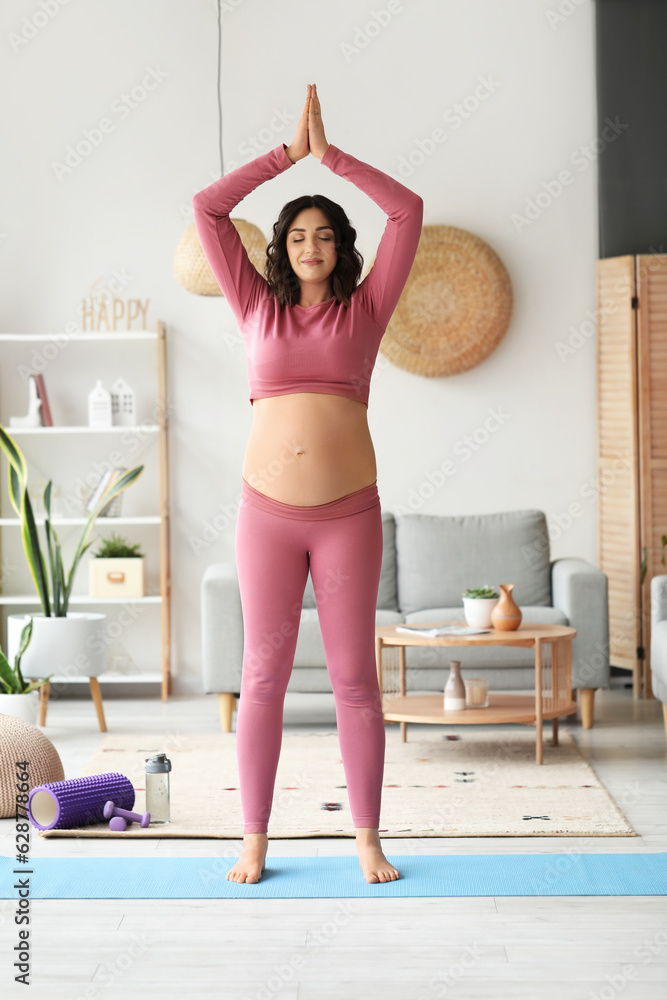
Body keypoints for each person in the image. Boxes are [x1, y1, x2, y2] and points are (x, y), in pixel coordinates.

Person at [192, 83, 423, 884]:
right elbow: (208, 211)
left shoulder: (365, 312)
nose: (312, 244)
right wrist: (285, 158)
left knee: (355, 680)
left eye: (325, 234)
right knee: (263, 676)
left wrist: (334, 159)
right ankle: (253, 838)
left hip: (347, 517)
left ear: (340, 248)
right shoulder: (255, 306)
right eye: (298, 234)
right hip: (267, 516)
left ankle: (366, 838)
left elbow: (407, 211)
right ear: (281, 247)